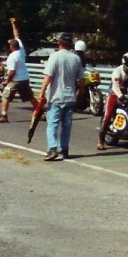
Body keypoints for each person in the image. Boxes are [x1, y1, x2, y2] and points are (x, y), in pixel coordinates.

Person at [37, 33, 83, 161]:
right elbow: (81, 80)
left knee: (52, 124)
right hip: (70, 96)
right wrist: (81, 93)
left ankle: (52, 149)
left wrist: (41, 93)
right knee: (67, 125)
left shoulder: (55, 57)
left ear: (59, 43)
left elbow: (48, 77)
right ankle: (64, 149)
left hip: (56, 96)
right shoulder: (76, 58)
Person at [96, 51, 128, 150]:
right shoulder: (117, 71)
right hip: (113, 94)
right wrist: (121, 97)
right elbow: (115, 87)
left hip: (126, 93)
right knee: (107, 115)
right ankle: (101, 141)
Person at [0, 17, 37, 122]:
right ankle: (40, 113)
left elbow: (12, 72)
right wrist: (13, 24)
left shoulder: (12, 57)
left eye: (9, 44)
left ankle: (4, 116)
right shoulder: (21, 49)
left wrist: (6, 81)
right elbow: (16, 35)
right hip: (25, 79)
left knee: (5, 96)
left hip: (16, 80)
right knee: (30, 97)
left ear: (12, 47)